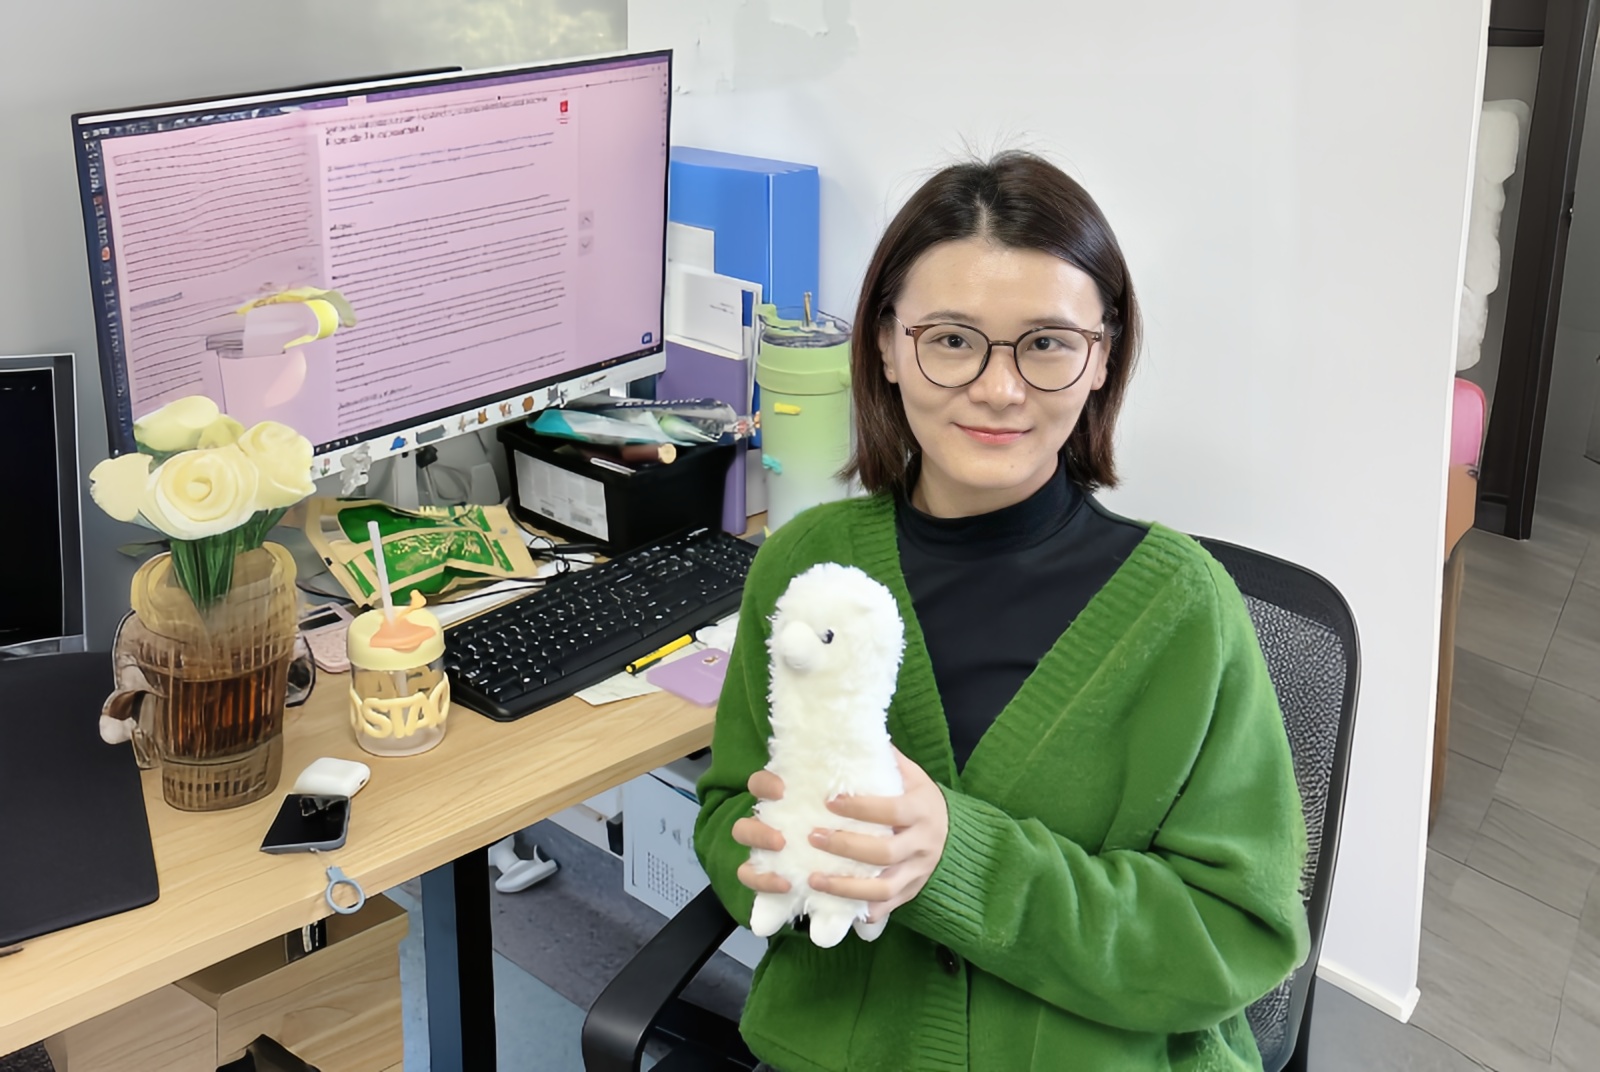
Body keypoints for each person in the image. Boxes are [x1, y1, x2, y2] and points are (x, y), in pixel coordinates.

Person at [693, 151, 1309, 1072]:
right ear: (887, 346)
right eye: (951, 339)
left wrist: (957, 859)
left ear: (1102, 359)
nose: (998, 387)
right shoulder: (806, 569)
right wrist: (774, 860)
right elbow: (726, 809)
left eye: (1047, 343)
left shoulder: (1185, 612)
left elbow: (1237, 936)